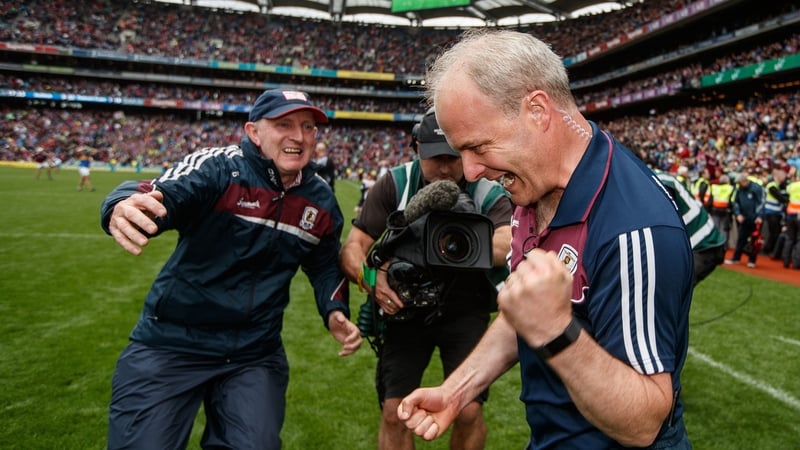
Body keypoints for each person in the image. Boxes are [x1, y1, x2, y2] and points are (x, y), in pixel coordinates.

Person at [396, 30, 694, 449]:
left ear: (537, 111)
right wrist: (457, 389)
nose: (471, 170)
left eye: (478, 146)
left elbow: (643, 420)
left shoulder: (634, 226)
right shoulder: (531, 187)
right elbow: (525, 309)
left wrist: (555, 330)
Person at [100, 89, 362, 449]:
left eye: (308, 127)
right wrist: (120, 203)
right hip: (172, 343)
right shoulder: (219, 168)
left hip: (254, 353)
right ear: (254, 132)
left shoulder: (319, 199)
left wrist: (333, 310)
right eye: (283, 124)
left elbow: (323, 264)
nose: (299, 137)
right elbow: (160, 194)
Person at [339, 108, 513, 450]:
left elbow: (508, 242)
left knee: (467, 411)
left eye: (453, 157)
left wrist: (453, 244)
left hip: (466, 309)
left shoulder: (485, 191)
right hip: (406, 309)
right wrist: (371, 277)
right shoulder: (396, 183)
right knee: (395, 411)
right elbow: (352, 248)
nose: (445, 168)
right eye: (435, 158)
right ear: (417, 147)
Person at [655, 170, 726, 285]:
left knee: (669, 291)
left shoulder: (659, 182)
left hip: (702, 245)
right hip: (702, 242)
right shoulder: (659, 177)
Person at [724, 173, 765, 268]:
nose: (739, 185)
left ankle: (752, 260)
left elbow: (761, 203)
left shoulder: (756, 188)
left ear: (744, 181)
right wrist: (738, 214)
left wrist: (759, 216)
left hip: (755, 218)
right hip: (744, 217)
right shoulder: (739, 189)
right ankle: (736, 258)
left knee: (754, 240)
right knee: (741, 238)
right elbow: (736, 202)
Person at [762, 167, 789, 255]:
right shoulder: (772, 185)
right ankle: (768, 249)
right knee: (774, 232)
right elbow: (780, 198)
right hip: (771, 212)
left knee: (775, 232)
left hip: (776, 212)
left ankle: (770, 249)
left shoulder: (779, 186)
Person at [708, 173, 735, 247]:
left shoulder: (714, 187)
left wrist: (708, 209)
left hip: (715, 210)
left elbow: (710, 199)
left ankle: (715, 243)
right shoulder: (731, 188)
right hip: (725, 211)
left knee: (715, 227)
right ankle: (723, 245)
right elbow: (732, 200)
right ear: (727, 181)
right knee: (724, 228)